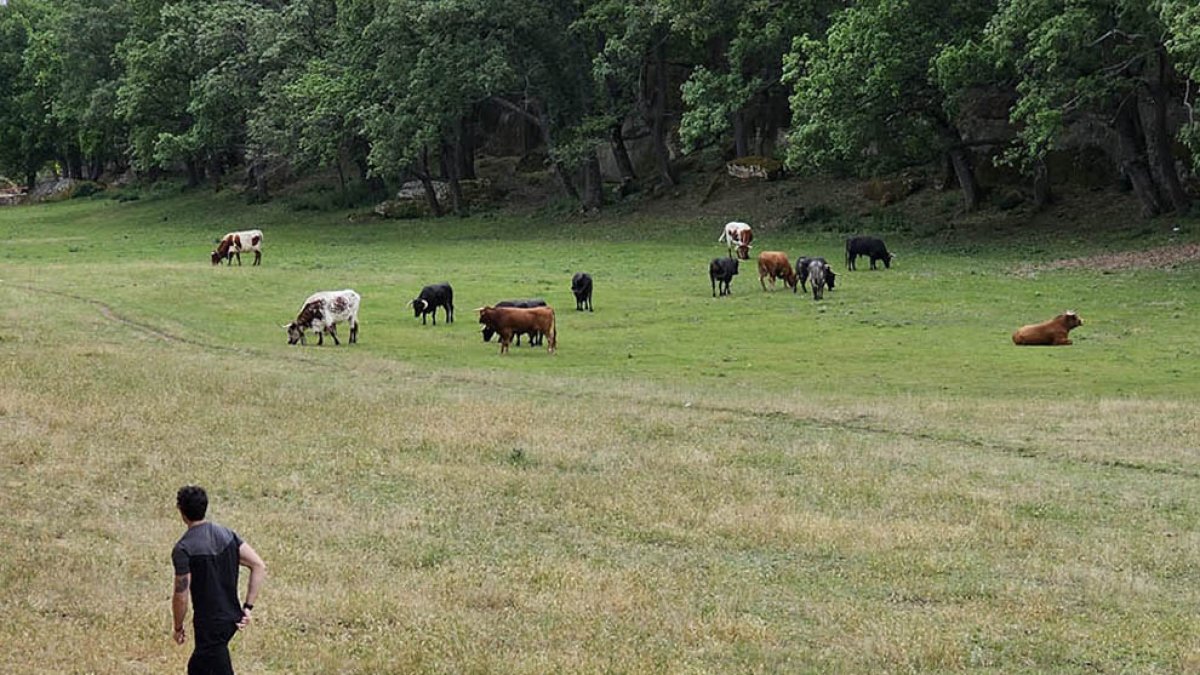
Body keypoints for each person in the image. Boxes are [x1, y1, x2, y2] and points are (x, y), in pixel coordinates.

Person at [171, 485, 267, 674]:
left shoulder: (183, 548)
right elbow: (258, 565)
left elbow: (181, 595)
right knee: (201, 668)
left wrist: (178, 626)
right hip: (229, 619)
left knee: (203, 667)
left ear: (181, 512)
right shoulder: (228, 536)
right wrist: (247, 607)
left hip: (209, 625)